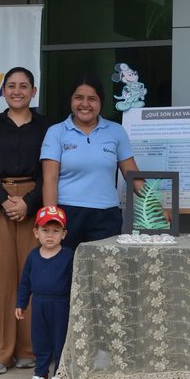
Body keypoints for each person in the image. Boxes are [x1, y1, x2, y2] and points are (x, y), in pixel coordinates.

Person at [0, 66, 51, 375]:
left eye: (24, 85)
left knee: (33, 276)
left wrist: (29, 202)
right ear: (3, 91)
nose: (17, 90)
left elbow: (50, 170)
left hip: (34, 203)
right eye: (11, 85)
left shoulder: (47, 127)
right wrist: (4, 200)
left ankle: (28, 349)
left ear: (33, 91)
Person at [41, 75, 146, 249]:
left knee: (105, 272)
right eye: (79, 98)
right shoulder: (56, 132)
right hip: (67, 213)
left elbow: (133, 176)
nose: (85, 104)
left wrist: (155, 206)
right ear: (71, 101)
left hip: (106, 215)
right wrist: (51, 219)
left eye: (92, 99)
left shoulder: (116, 131)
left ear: (101, 102)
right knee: (67, 270)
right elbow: (49, 179)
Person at [15, 205, 75, 379]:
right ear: (36, 232)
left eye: (56, 231)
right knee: (40, 340)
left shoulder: (68, 256)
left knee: (60, 341)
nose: (50, 235)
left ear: (64, 234)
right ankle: (40, 374)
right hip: (39, 304)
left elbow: (75, 283)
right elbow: (25, 281)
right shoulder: (33, 256)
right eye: (45, 230)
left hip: (61, 306)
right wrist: (21, 303)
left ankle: (60, 375)